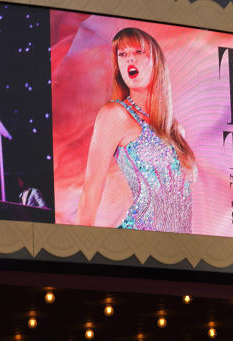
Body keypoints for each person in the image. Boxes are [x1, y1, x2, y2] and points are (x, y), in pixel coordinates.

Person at [77, 27, 196, 232]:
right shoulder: (115, 115)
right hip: (136, 249)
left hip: (179, 254)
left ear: (156, 61)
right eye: (122, 54)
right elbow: (91, 191)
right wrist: (78, 256)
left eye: (138, 52)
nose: (129, 59)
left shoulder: (176, 131)